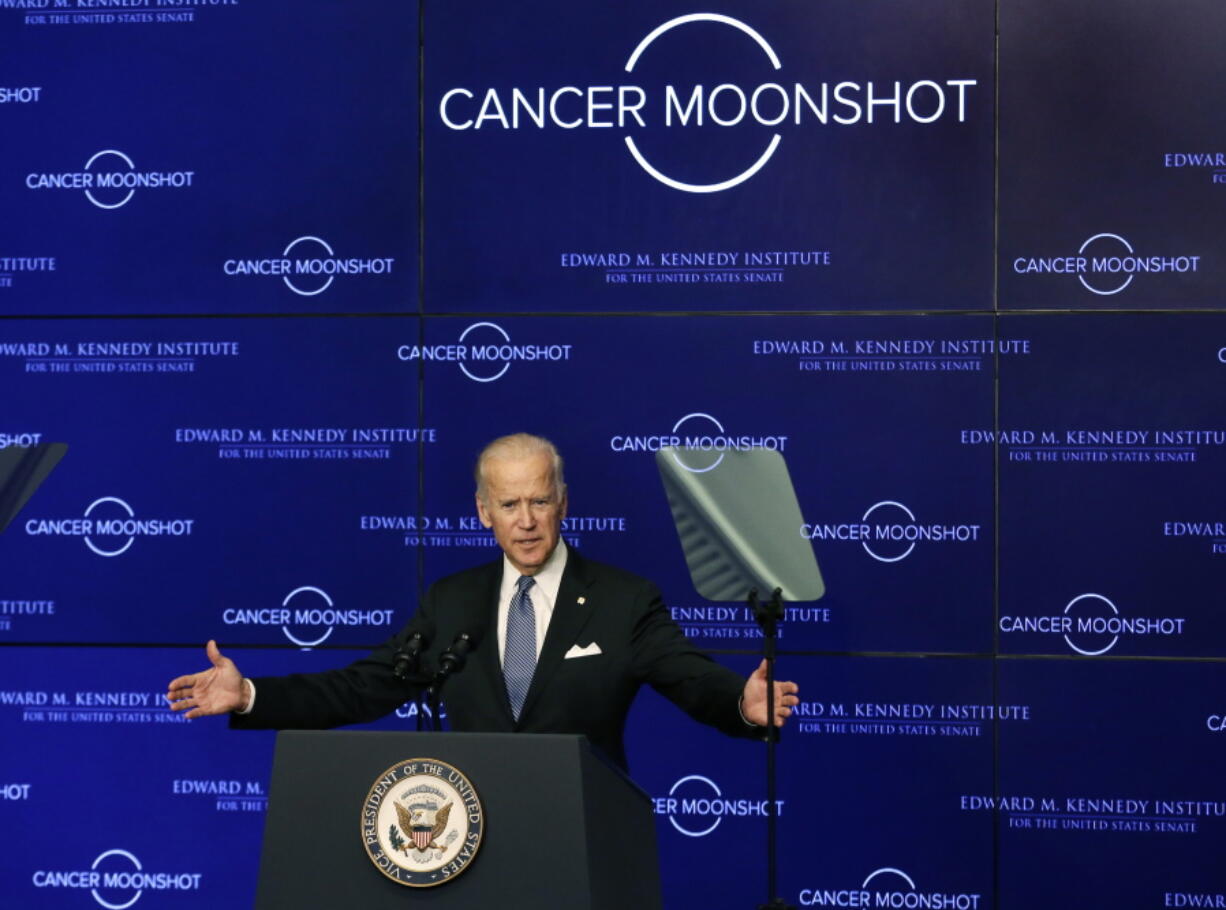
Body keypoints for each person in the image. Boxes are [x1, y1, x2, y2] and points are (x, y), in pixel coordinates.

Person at [167, 432, 799, 770]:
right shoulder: (452, 601)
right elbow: (359, 689)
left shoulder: (623, 599)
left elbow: (689, 678)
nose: (526, 521)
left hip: (582, 839)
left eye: (539, 500)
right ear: (483, 513)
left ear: (562, 502)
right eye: (508, 504)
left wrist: (740, 704)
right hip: (468, 839)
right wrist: (251, 695)